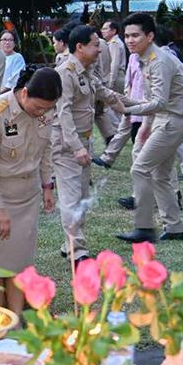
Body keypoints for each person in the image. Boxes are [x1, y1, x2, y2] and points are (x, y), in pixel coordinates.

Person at [0, 67, 60, 313]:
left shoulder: (46, 112)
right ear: (24, 93)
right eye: (38, 108)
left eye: (47, 108)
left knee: (19, 263)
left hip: (26, 196)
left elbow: (45, 151)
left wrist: (47, 186)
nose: (42, 113)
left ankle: (15, 318)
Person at [116, 13, 183, 243]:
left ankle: (144, 228)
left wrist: (128, 111)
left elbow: (159, 102)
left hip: (172, 121)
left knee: (140, 169)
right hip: (165, 119)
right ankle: (175, 229)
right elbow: (152, 99)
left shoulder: (158, 60)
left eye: (135, 35)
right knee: (160, 175)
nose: (130, 40)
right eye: (127, 36)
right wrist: (131, 108)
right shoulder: (145, 58)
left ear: (149, 36)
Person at [51, 25, 124, 261]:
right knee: (71, 200)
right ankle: (78, 253)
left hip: (84, 142)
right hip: (67, 146)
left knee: (81, 198)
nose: (99, 50)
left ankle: (69, 243)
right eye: (95, 45)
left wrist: (139, 105)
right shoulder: (66, 72)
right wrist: (76, 147)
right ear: (80, 47)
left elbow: (105, 93)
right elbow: (64, 115)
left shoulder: (86, 70)